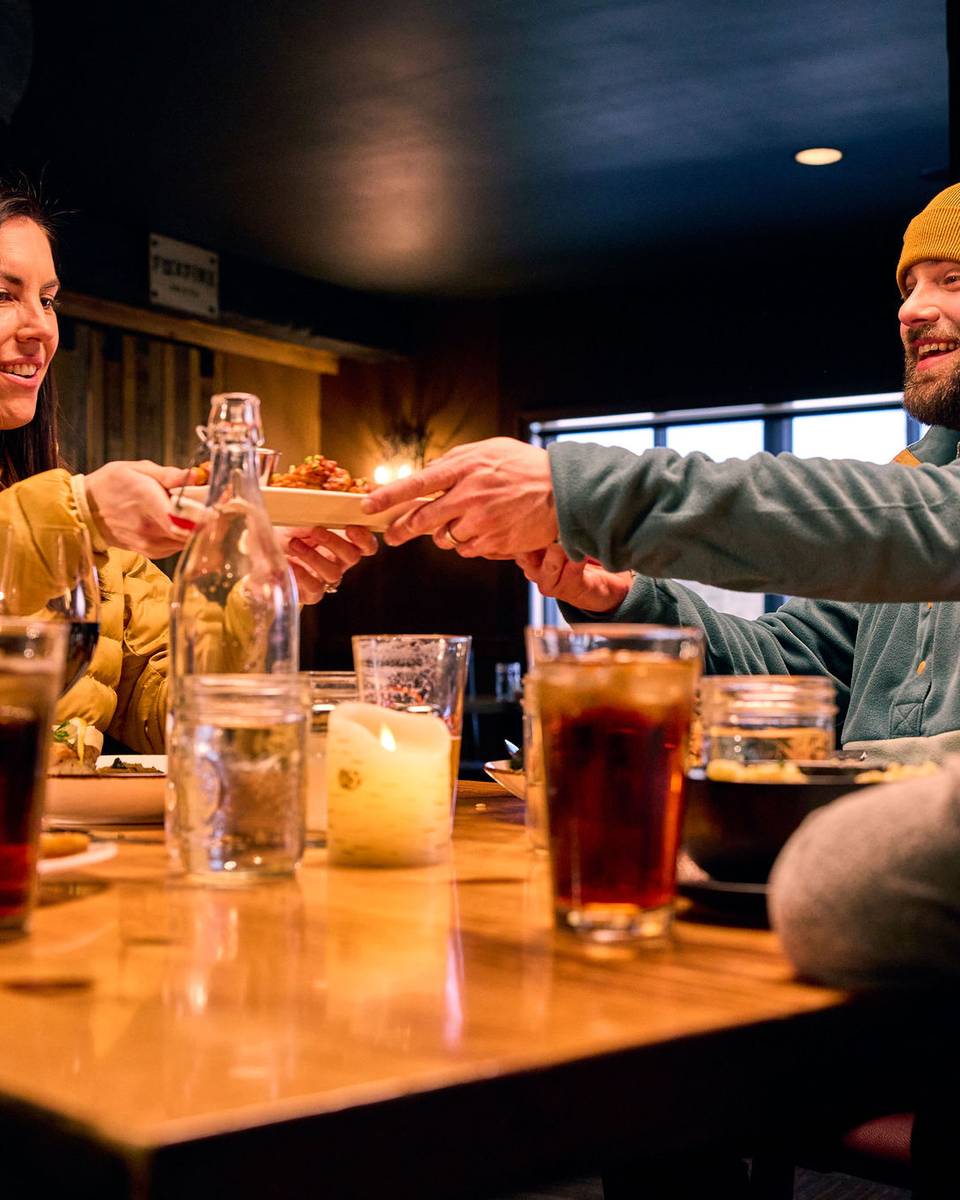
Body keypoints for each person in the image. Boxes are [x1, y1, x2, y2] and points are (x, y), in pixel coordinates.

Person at [364, 181, 960, 763]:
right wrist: (629, 599)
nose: (910, 310)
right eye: (908, 287)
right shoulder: (916, 480)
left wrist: (582, 495)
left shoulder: (923, 508)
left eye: (951, 279)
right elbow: (788, 670)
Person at [0, 186, 377, 751]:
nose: (40, 328)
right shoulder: (82, 515)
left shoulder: (105, 554)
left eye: (48, 300)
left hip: (69, 841)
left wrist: (249, 592)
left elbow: (174, 718)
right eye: (4, 296)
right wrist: (82, 514)